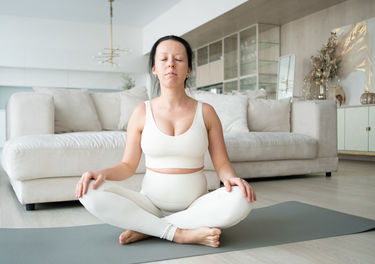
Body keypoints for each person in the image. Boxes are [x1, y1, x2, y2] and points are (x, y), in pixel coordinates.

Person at [75, 35, 256, 248]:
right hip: (149, 204)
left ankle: (150, 229)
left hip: (195, 205)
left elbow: (222, 164)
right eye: (164, 59)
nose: (171, 63)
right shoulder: (141, 112)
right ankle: (179, 233)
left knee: (242, 198)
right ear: (154, 68)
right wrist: (103, 173)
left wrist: (231, 178)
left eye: (178, 59)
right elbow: (127, 166)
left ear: (188, 69)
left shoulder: (206, 112)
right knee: (88, 191)